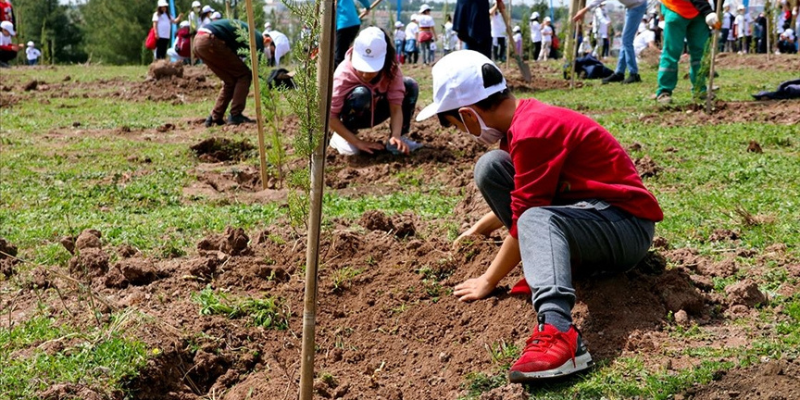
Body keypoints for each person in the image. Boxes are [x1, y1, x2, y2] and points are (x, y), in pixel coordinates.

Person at [415, 50, 662, 382]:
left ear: (468, 115)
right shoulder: (524, 122)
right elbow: (529, 192)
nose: (464, 133)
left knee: (534, 219)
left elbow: (528, 214)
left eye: (456, 126)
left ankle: (560, 332)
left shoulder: (532, 131)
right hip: (594, 217)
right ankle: (560, 261)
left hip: (625, 226)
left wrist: (488, 280)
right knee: (492, 167)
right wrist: (479, 228)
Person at [329, 27, 422, 157]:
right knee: (361, 93)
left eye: (372, 68)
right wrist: (357, 142)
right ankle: (343, 136)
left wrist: (395, 135)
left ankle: (398, 139)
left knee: (410, 85)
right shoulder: (343, 74)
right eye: (361, 67)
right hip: (351, 117)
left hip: (376, 112)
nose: (366, 74)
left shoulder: (391, 71)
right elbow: (330, 116)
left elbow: (396, 108)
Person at [193, 19, 263, 126]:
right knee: (244, 75)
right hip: (210, 40)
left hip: (199, 41)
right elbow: (256, 65)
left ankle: (215, 116)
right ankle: (236, 115)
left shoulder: (249, 34)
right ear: (268, 40)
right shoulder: (258, 39)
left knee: (230, 80)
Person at [655, 0, 717, 105]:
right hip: (675, 7)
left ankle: (700, 89)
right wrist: (708, 11)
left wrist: (716, 12)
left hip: (699, 11)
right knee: (672, 51)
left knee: (700, 53)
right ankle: (664, 91)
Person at [575, 0, 648, 84]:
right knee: (625, 41)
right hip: (631, 7)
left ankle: (634, 74)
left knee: (627, 41)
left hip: (637, 5)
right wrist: (584, 10)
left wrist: (583, 10)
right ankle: (619, 73)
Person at [335, 0, 372, 68]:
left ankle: (340, 76)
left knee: (339, 57)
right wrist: (367, 7)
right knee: (341, 53)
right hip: (354, 23)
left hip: (343, 25)